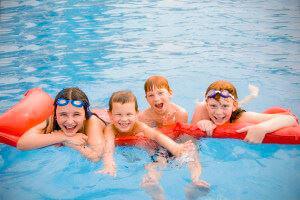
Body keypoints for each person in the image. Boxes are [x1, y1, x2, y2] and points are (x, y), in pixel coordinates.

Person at [139, 75, 209, 199]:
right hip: (160, 146)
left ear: (170, 93)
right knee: (158, 161)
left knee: (192, 154)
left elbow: (183, 135)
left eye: (160, 93)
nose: (156, 98)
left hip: (179, 142)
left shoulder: (180, 113)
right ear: (146, 99)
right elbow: (148, 141)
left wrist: (183, 147)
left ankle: (195, 180)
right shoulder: (145, 117)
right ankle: (153, 183)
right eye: (151, 95)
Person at [191, 80, 298, 143]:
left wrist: (263, 128)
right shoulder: (202, 109)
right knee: (223, 108)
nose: (218, 112)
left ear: (234, 106)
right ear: (206, 104)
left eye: (224, 106)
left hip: (274, 114)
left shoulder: (243, 117)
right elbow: (191, 141)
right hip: (228, 109)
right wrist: (202, 123)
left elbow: (291, 119)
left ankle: (253, 95)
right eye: (213, 106)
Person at [17, 87, 107, 162]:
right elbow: (21, 144)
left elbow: (96, 157)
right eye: (63, 114)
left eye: (76, 114)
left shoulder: (92, 122)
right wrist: (64, 137)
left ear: (85, 115)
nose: (70, 122)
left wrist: (72, 145)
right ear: (56, 114)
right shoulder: (53, 120)